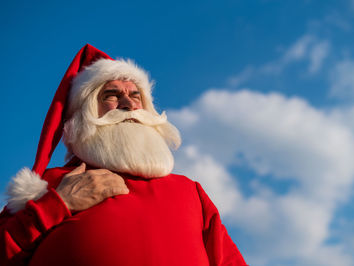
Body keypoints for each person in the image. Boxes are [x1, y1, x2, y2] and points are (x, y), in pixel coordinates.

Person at [0, 44, 246, 265]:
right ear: (84, 114)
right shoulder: (49, 185)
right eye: (112, 95)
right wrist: (56, 204)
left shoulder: (191, 192)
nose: (129, 104)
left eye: (135, 94)